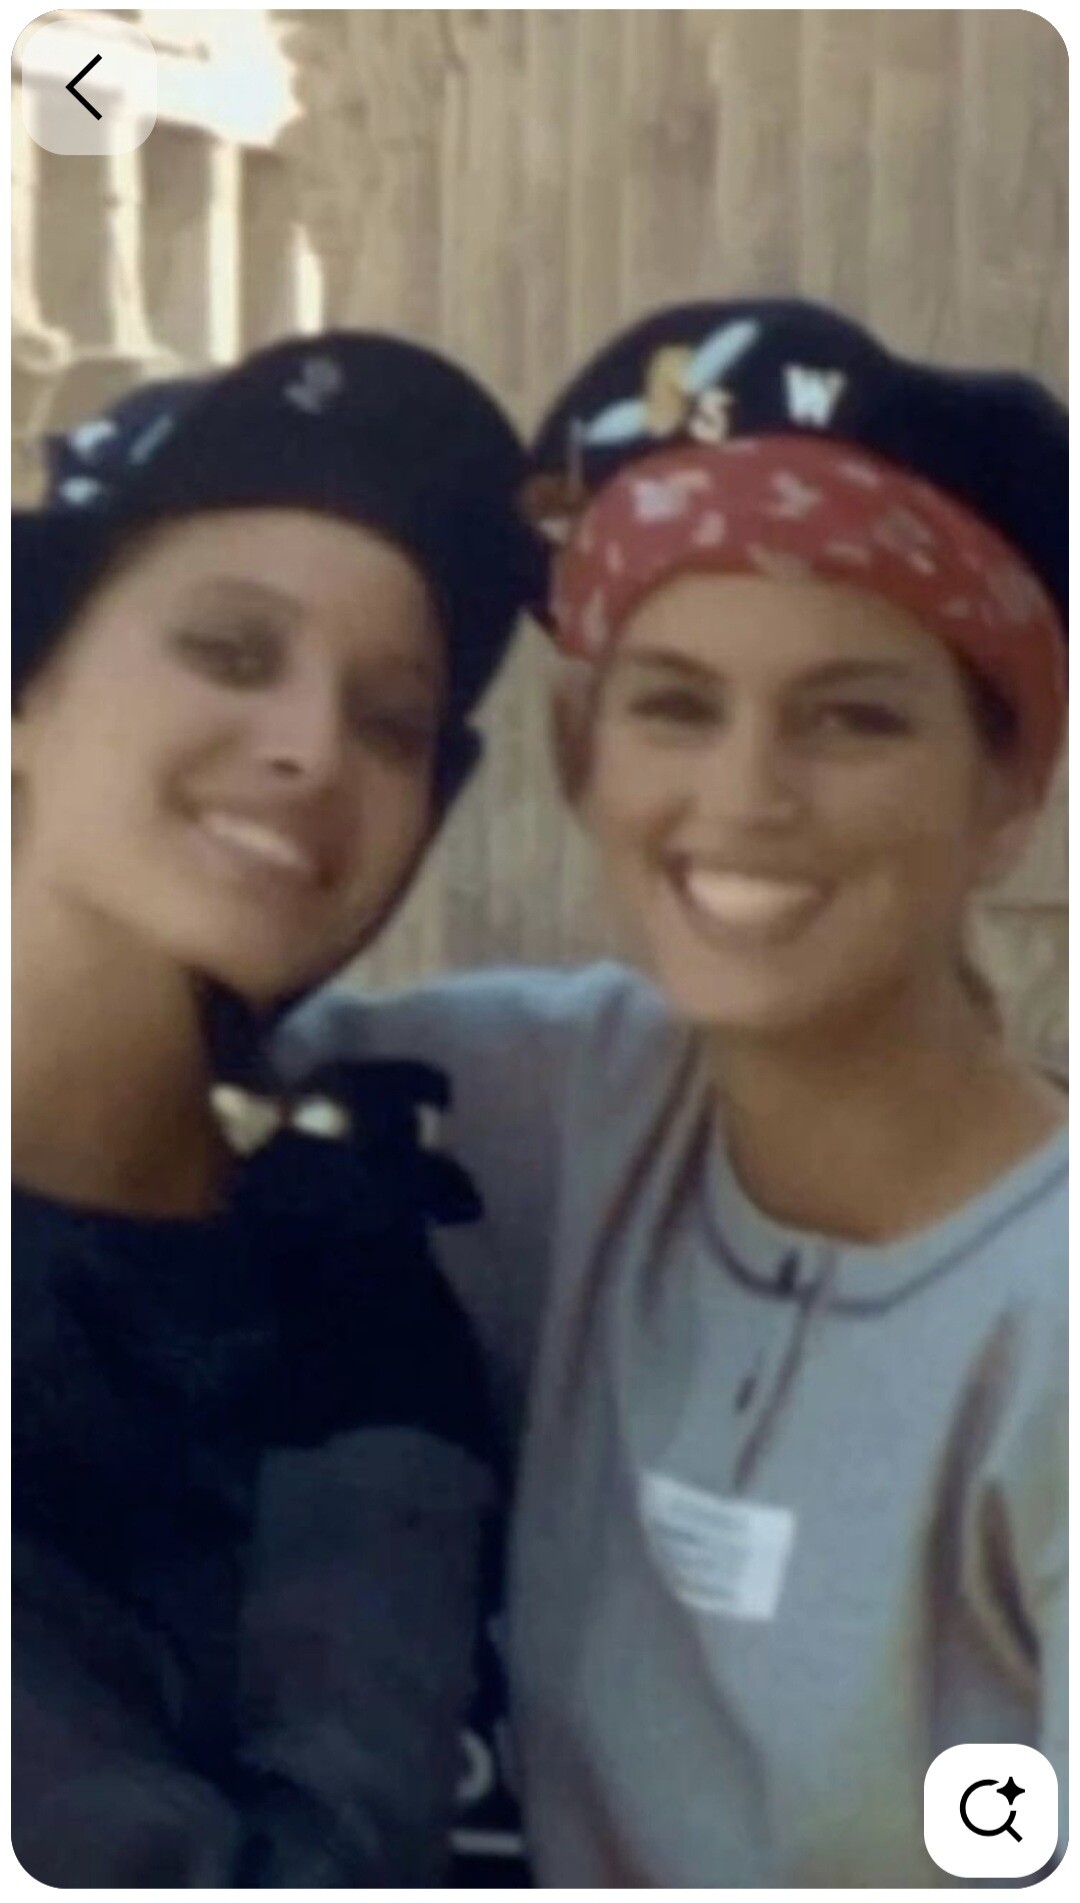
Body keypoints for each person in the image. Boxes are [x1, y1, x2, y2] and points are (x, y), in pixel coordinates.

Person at [278, 300, 1068, 1886]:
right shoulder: (563, 1105)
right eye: (676, 706)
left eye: (854, 718)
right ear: (582, 759)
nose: (745, 795)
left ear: (1008, 792)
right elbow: (129, 1065)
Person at [11, 330, 535, 1886]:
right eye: (232, 652)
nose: (311, 750)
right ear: (24, 687)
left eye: (392, 722)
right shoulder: (371, 1334)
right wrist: (383, 1447)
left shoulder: (367, 1243)